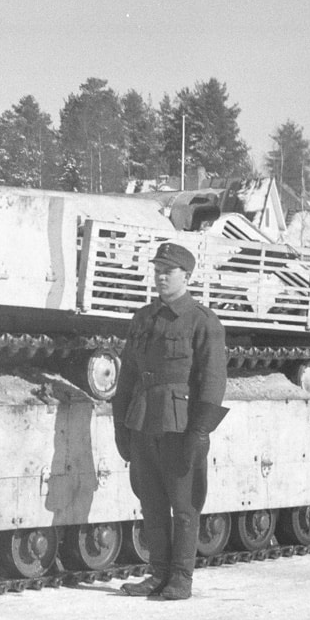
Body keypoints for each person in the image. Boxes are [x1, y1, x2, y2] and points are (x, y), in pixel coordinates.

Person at [112, 242, 228, 601]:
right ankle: (158, 573)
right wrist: (121, 427)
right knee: (151, 502)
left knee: (185, 506)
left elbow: (212, 381)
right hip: (144, 421)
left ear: (187, 276)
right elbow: (128, 376)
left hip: (181, 427)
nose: (161, 277)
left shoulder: (202, 320)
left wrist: (199, 432)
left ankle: (181, 578)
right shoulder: (143, 318)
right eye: (158, 270)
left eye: (169, 271)